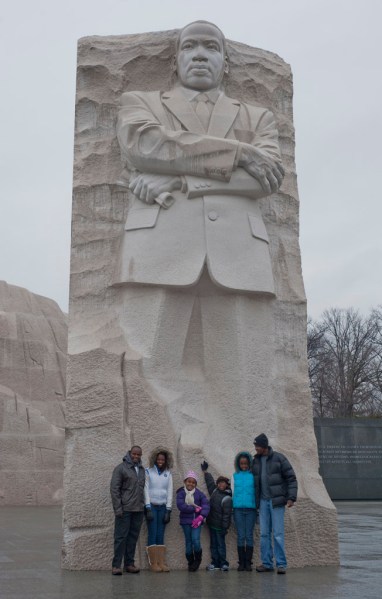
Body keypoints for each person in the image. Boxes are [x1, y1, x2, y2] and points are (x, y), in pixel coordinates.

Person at [114, 20, 285, 469]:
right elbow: (144, 145)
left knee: (241, 384)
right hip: (157, 252)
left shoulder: (257, 117)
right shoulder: (140, 103)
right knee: (148, 370)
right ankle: (165, 468)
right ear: (176, 59)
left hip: (239, 258)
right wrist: (238, 154)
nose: (200, 54)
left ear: (226, 62)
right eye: (190, 46)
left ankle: (234, 477)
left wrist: (181, 177)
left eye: (212, 47)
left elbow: (266, 178)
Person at [252, 433, 297, 574]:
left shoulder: (279, 458)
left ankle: (281, 564)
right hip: (263, 502)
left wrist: (291, 497)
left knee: (278, 534)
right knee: (264, 534)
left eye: (257, 446)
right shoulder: (256, 461)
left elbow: (291, 478)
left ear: (264, 446)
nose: (256, 448)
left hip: (276, 502)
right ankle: (267, 563)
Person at [110, 445, 146, 575]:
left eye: (139, 455)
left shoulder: (142, 470)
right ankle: (116, 565)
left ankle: (129, 564)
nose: (136, 456)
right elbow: (114, 490)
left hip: (138, 509)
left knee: (133, 538)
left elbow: (142, 490)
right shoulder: (120, 468)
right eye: (134, 454)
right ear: (130, 453)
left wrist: (144, 507)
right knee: (120, 537)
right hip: (124, 510)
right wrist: (118, 509)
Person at [144, 447, 173, 572]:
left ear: (166, 460)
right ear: (155, 459)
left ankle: (161, 562)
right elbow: (145, 489)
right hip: (152, 507)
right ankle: (153, 563)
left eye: (163, 459)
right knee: (153, 533)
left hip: (162, 508)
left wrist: (168, 510)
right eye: (159, 458)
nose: (161, 460)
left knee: (161, 534)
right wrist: (148, 507)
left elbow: (170, 491)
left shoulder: (168, 473)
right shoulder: (148, 471)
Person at [200, 461, 232, 571]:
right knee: (213, 545)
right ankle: (215, 562)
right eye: (219, 483)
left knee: (220, 545)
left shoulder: (227, 497)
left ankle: (223, 563)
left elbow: (227, 515)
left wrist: (225, 527)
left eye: (223, 483)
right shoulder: (214, 491)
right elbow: (210, 483)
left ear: (227, 485)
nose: (221, 485)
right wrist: (205, 471)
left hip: (220, 527)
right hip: (212, 524)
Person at [176, 470, 210, 571]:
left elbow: (206, 506)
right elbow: (181, 506)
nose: (191, 484)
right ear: (185, 482)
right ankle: (190, 562)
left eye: (193, 482)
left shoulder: (199, 494)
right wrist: (194, 509)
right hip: (185, 522)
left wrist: (201, 517)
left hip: (197, 522)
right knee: (188, 542)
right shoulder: (181, 493)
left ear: (195, 484)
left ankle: (198, 560)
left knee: (195, 540)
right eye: (189, 481)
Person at [232, 451, 257, 571]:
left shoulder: (253, 475)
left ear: (249, 463)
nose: (244, 465)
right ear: (238, 464)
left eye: (246, 463)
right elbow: (232, 492)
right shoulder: (234, 476)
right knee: (241, 536)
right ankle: (241, 563)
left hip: (251, 509)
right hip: (238, 509)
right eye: (242, 463)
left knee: (249, 536)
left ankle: (248, 563)